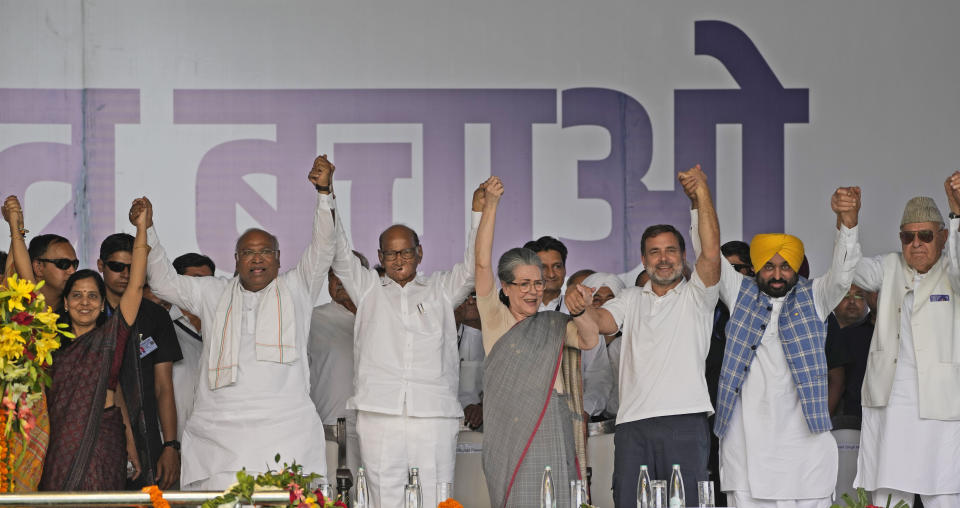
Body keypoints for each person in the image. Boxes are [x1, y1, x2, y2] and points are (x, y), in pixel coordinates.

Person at [143, 155, 337, 490]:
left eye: (265, 251)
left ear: (278, 258)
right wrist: (148, 230)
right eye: (248, 252)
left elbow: (324, 246)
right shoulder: (213, 293)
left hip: (284, 428)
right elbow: (162, 283)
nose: (257, 258)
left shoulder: (297, 287)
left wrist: (324, 194)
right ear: (236, 260)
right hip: (221, 433)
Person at [326, 174, 483, 508]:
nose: (398, 260)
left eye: (405, 252)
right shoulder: (368, 289)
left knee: (437, 494)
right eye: (390, 254)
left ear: (420, 252)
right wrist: (327, 195)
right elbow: (339, 252)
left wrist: (478, 216)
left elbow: (472, 269)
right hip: (379, 412)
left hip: (433, 414)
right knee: (383, 499)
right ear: (380, 257)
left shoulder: (441, 289)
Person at [570, 165, 721, 507]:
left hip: (685, 419)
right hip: (632, 424)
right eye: (655, 252)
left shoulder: (698, 295)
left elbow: (711, 253)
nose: (663, 259)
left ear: (683, 258)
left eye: (670, 251)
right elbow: (603, 322)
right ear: (643, 259)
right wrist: (580, 308)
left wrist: (701, 195)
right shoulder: (630, 298)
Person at [704, 187, 862, 507]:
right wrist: (700, 203)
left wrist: (847, 223)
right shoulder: (739, 294)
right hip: (746, 445)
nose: (777, 275)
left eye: (785, 266)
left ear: (796, 267)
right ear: (757, 267)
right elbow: (708, 254)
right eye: (769, 267)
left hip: (804, 449)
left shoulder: (816, 296)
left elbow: (843, 275)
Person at [476, 176, 598, 508]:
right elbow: (482, 263)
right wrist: (491, 206)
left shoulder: (554, 323)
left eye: (539, 283)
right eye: (525, 284)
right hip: (509, 432)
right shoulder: (494, 318)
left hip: (552, 425)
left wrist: (583, 309)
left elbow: (588, 340)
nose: (534, 291)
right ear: (506, 287)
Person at [20, 197, 152, 490]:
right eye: (77, 295)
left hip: (104, 437)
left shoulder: (112, 335)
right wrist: (16, 232)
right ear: (65, 303)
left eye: (93, 296)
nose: (85, 302)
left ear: (103, 303)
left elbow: (137, 285)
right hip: (59, 441)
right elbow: (28, 287)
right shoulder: (48, 339)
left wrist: (142, 228)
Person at [852, 176, 960, 507]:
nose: (916, 243)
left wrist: (957, 212)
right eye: (908, 236)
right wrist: (848, 225)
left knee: (943, 497)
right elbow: (849, 272)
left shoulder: (952, 269)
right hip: (891, 406)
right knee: (887, 497)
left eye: (925, 235)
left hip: (941, 408)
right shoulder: (888, 266)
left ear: (942, 237)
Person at [98, 233, 183, 489]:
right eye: (116, 267)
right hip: (96, 435)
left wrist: (170, 446)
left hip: (147, 437)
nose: (125, 274)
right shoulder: (87, 313)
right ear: (101, 266)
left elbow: (163, 387)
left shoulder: (156, 316)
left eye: (133, 268)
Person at [307, 250, 368, 477]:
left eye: (347, 273)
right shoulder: (312, 319)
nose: (339, 280)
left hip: (377, 427)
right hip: (330, 427)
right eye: (334, 275)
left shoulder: (381, 316)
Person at [167, 253, 216, 444]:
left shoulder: (223, 326)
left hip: (215, 441)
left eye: (209, 281)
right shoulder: (161, 324)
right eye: (196, 280)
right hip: (173, 440)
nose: (204, 287)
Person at [825, 284, 873, 428]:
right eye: (845, 295)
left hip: (863, 419)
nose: (852, 301)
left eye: (859, 295)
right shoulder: (819, 333)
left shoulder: (879, 335)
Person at [579, 272, 623, 421]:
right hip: (589, 417)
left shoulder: (631, 340)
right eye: (596, 299)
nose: (604, 305)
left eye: (611, 299)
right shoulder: (577, 339)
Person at [455, 291, 485, 430]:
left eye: (475, 296)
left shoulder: (501, 335)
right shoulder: (445, 335)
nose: (471, 302)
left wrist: (483, 407)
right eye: (465, 297)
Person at [523, 236, 568, 312]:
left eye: (557, 266)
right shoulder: (513, 309)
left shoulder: (577, 309)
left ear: (564, 269)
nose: (551, 274)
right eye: (543, 267)